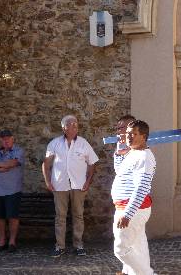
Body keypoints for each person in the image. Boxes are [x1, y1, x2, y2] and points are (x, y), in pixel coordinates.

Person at [42, 115, 99, 257]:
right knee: (60, 217)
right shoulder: (54, 143)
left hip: (79, 186)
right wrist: (48, 182)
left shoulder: (83, 143)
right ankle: (59, 246)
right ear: (63, 128)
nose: (74, 127)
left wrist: (88, 181)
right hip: (59, 185)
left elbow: (92, 163)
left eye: (76, 125)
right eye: (71, 125)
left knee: (78, 215)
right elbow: (46, 164)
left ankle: (78, 245)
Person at [112, 120, 156, 275]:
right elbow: (120, 172)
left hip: (132, 209)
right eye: (128, 133)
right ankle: (130, 272)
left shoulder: (144, 157)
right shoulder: (133, 152)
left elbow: (142, 187)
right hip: (126, 207)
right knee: (138, 247)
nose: (128, 136)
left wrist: (128, 213)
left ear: (143, 136)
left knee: (120, 249)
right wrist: (119, 152)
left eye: (133, 134)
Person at [0, 130, 25, 253]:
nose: (5, 141)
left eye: (8, 138)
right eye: (3, 139)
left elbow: (12, 163)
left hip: (12, 190)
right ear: (0, 140)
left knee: (12, 216)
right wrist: (2, 166)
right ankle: (1, 242)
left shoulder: (19, 151)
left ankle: (12, 242)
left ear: (13, 139)